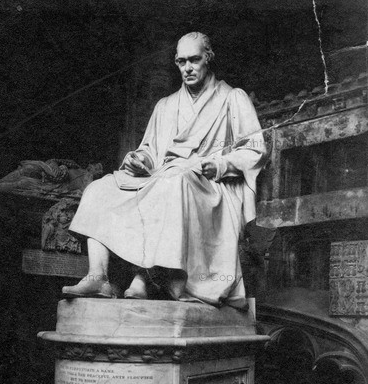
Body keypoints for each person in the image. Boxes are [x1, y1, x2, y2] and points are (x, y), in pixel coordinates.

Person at [62, 32, 266, 308]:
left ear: (209, 58)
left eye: (194, 60)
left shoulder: (233, 99)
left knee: (174, 181)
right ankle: (98, 276)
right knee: (100, 188)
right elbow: (151, 152)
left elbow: (254, 150)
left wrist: (219, 164)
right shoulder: (165, 106)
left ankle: (145, 278)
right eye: (181, 62)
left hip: (209, 186)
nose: (188, 68)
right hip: (164, 178)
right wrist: (139, 160)